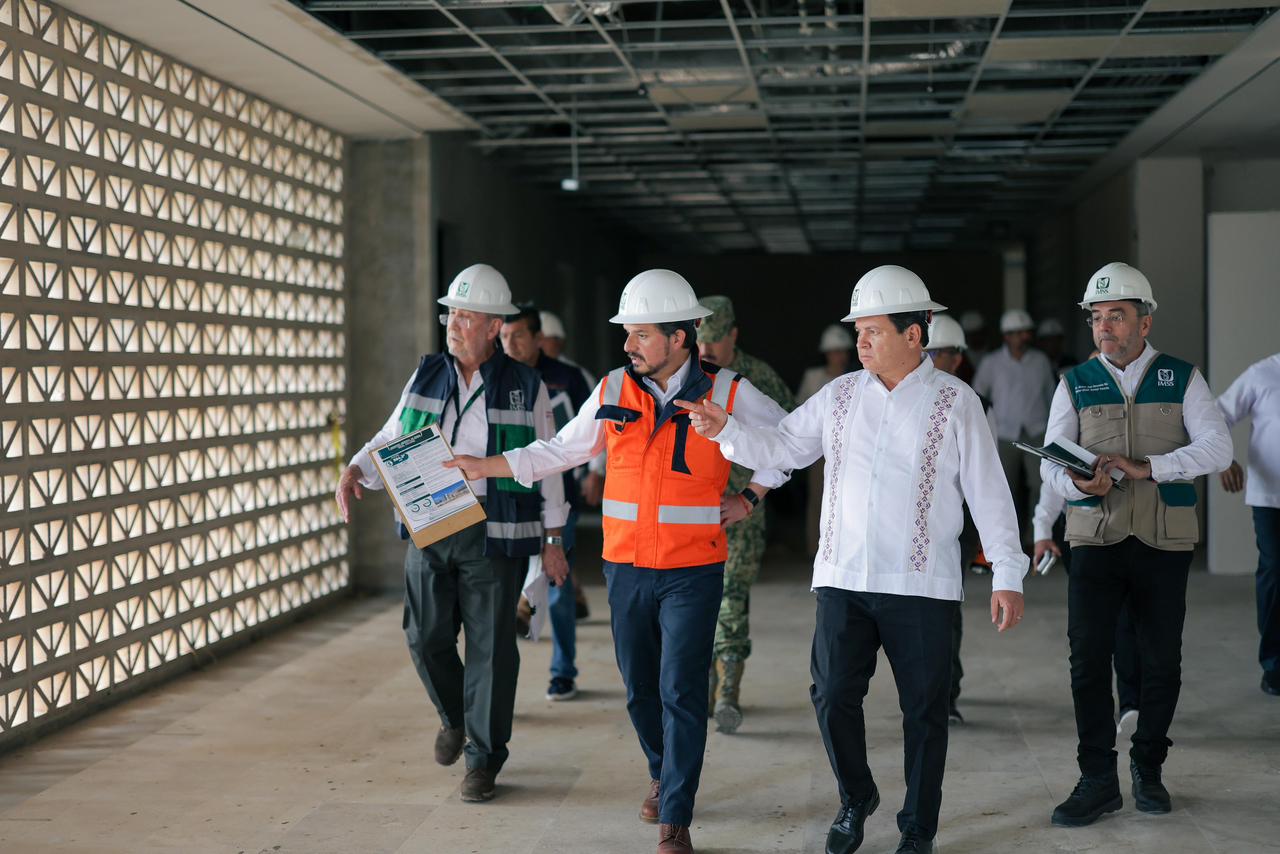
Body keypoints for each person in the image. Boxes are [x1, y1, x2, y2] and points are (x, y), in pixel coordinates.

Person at [680, 266, 1028, 854]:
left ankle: (917, 827)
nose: (859, 342)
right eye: (858, 331)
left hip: (921, 584)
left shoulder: (956, 402)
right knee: (831, 694)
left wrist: (1008, 573)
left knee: (925, 712)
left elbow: (989, 493)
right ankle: (856, 794)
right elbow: (785, 445)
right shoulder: (839, 395)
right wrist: (727, 431)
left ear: (914, 334)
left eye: (872, 331)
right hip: (844, 578)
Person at [444, 270, 789, 854]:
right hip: (625, 567)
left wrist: (751, 495)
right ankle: (662, 772)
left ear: (679, 337)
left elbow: (790, 442)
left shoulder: (729, 392)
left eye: (641, 334)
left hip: (693, 569)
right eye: (627, 333)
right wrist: (487, 466)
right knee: (640, 689)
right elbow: (562, 449)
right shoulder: (611, 388)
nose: (628, 344)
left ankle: (676, 815)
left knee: (681, 688)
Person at [334, 264, 570, 803]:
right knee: (424, 635)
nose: (454, 325)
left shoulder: (526, 386)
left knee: (491, 648)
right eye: (451, 315)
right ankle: (455, 716)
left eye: (466, 317)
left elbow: (550, 462)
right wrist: (355, 468)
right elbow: (391, 434)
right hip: (432, 520)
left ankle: (483, 760)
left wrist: (554, 541)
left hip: (496, 528)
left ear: (494, 326)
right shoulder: (426, 374)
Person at [1039, 262, 1231, 828]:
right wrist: (1077, 484)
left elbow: (1218, 448)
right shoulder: (1075, 382)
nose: (1105, 327)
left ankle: (1148, 766)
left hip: (1162, 540)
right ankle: (1097, 779)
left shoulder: (1181, 378)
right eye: (1097, 317)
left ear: (1144, 323)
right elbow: (1051, 461)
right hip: (1094, 539)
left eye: (1117, 316)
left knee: (1160, 660)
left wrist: (1151, 467)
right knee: (1087, 660)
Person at [696, 295, 796, 734]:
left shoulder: (757, 377)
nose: (706, 351)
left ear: (733, 335)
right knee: (696, 601)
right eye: (700, 342)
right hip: (694, 513)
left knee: (732, 597)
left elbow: (793, 438)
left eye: (715, 341)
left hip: (744, 512)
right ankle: (703, 686)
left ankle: (728, 692)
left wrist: (753, 496)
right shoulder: (687, 376)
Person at [500, 305, 592, 700]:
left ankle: (563, 672)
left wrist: (595, 472)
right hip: (507, 500)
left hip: (559, 497)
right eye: (504, 337)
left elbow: (597, 426)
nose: (510, 344)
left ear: (538, 338)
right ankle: (497, 688)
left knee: (558, 585)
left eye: (518, 335)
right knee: (498, 592)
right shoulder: (494, 378)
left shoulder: (567, 378)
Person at [922, 313, 984, 726]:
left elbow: (985, 482)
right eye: (926, 353)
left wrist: (986, 543)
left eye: (937, 354)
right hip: (911, 524)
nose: (928, 360)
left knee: (946, 608)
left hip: (955, 526)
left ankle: (946, 695)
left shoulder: (972, 403)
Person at [1215, 352, 1280, 696]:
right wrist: (1224, 459)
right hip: (1271, 497)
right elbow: (1217, 415)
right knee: (1275, 571)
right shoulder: (1262, 374)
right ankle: (1275, 664)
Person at [972, 308, 1057, 540]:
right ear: (1006, 336)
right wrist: (984, 429)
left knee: (1040, 485)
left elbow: (1051, 396)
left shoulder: (1040, 361)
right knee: (1004, 487)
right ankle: (1006, 539)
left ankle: (1035, 537)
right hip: (1004, 433)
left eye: (1025, 332)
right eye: (1017, 333)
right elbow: (977, 396)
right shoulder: (991, 362)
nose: (1022, 337)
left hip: (1036, 430)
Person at [797, 324, 855, 555]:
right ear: (827, 353)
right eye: (835, 351)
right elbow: (800, 410)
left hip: (850, 449)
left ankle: (843, 550)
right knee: (819, 498)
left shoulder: (857, 378)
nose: (840, 356)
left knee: (848, 499)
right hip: (819, 449)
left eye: (843, 351)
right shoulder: (814, 378)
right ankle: (815, 549)